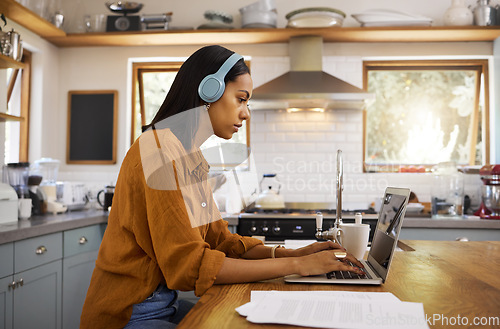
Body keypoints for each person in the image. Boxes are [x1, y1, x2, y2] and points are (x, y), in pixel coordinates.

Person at [80, 45, 365, 329]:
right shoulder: (158, 152)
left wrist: (292, 254)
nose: (246, 113)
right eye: (241, 99)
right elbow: (190, 266)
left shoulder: (189, 156)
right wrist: (299, 267)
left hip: (164, 304)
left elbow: (221, 242)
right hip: (129, 313)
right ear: (209, 90)